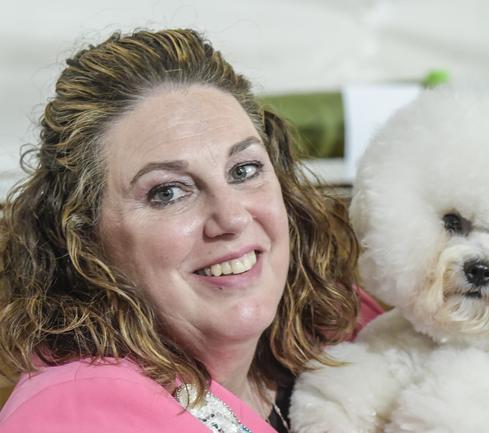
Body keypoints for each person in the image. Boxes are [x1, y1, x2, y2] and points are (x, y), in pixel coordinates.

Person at [0, 28, 382, 433]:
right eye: (167, 192)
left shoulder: (344, 326)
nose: (232, 218)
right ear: (84, 235)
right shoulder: (75, 414)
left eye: (244, 170)